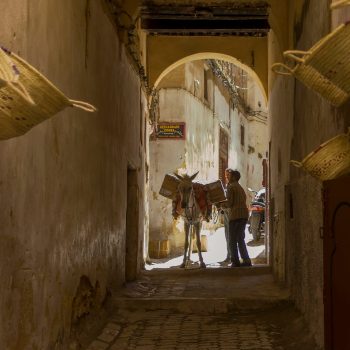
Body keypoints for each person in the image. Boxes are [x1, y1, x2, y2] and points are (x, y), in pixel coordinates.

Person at [221, 169, 252, 267]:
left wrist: (221, 204)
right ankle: (246, 260)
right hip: (243, 215)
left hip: (235, 216)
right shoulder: (240, 187)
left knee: (232, 240)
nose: (227, 178)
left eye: (229, 176)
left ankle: (235, 261)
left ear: (234, 177)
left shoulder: (231, 187)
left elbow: (230, 203)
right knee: (240, 239)